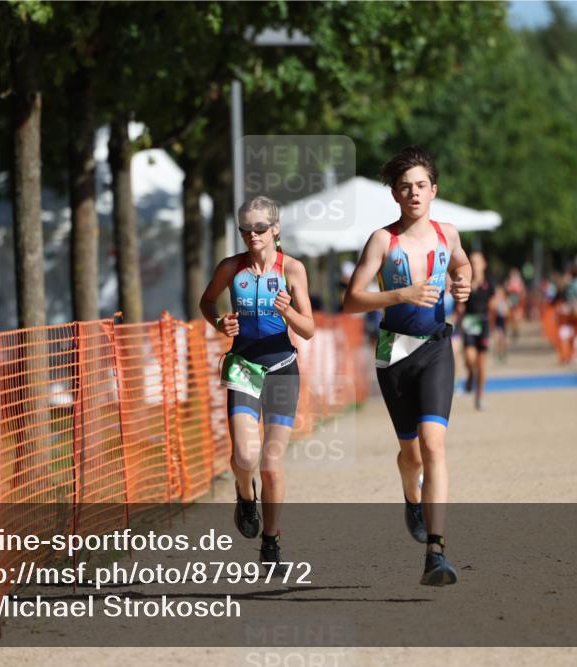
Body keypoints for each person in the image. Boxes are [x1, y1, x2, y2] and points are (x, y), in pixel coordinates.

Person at [343, 146, 471, 586]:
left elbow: (462, 263)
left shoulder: (447, 234)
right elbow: (352, 299)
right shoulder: (383, 240)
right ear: (395, 195)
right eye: (405, 187)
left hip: (436, 347)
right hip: (394, 353)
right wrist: (402, 295)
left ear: (433, 190)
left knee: (434, 446)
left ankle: (436, 553)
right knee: (411, 453)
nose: (413, 193)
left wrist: (464, 278)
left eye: (421, 185)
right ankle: (410, 498)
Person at [199, 195, 314, 574]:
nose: (252, 235)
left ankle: (272, 540)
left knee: (271, 462)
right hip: (244, 366)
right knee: (245, 457)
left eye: (260, 228)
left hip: (282, 366)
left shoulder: (293, 269)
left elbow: (309, 329)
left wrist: (289, 312)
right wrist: (220, 324)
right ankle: (244, 495)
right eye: (245, 229)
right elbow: (207, 302)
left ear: (275, 229)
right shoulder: (231, 268)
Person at [459, 251, 495, 410]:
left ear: (484, 264)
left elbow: (493, 306)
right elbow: (459, 305)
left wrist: (493, 326)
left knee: (481, 363)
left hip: (483, 323)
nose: (474, 265)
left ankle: (479, 396)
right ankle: (470, 374)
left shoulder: (489, 284)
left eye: (477, 262)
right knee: (469, 358)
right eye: (471, 262)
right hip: (469, 321)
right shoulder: (465, 283)